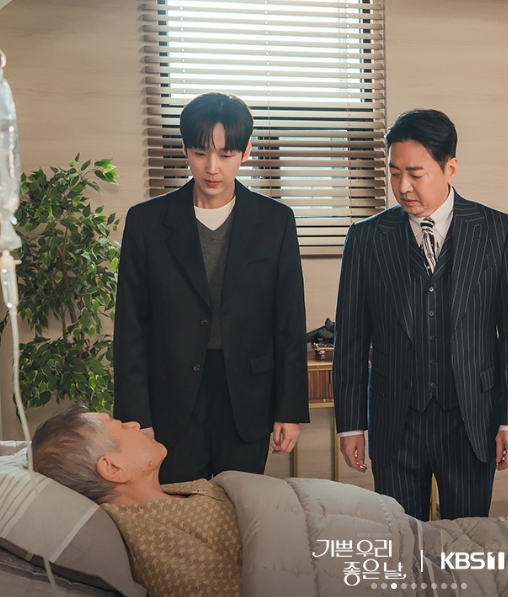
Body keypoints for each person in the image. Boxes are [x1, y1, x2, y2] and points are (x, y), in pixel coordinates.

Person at [333, 109, 508, 521]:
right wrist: (351, 424)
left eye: (415, 174)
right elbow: (351, 338)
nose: (402, 186)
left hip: (471, 418)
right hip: (394, 418)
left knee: (469, 538)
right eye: (394, 173)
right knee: (401, 537)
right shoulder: (365, 238)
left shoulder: (498, 231)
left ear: (450, 168)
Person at [113, 92, 309, 484]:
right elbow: (131, 327)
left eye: (226, 153)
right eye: (201, 153)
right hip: (172, 397)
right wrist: (136, 417)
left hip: (248, 397)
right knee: (180, 505)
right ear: (185, 149)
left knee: (243, 505)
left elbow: (288, 321)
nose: (213, 167)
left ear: (246, 151)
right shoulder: (146, 222)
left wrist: (288, 409)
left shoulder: (275, 221)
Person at [32, 402, 243, 597]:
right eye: (122, 426)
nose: (134, 424)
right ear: (114, 468)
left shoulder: (167, 495)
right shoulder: (157, 544)